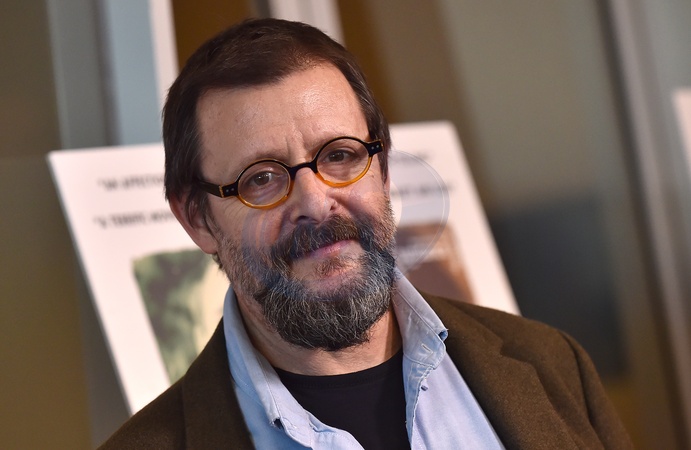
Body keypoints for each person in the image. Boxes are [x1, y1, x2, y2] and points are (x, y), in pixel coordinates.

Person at [100, 18, 632, 449]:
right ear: (197, 219)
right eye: (261, 178)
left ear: (383, 169)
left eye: (340, 155)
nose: (315, 203)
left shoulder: (552, 364)